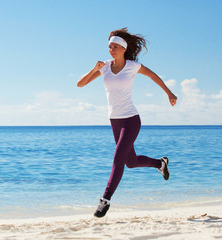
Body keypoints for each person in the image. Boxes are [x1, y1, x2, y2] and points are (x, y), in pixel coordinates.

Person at [76, 28, 177, 218]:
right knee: (130, 162)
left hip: (131, 120)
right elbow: (80, 84)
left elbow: (153, 76)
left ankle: (105, 200)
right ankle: (159, 163)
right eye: (109, 47)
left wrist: (169, 93)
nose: (111, 50)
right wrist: (93, 69)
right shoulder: (104, 66)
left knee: (118, 158)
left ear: (123, 48)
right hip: (114, 120)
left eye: (115, 46)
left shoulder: (132, 66)